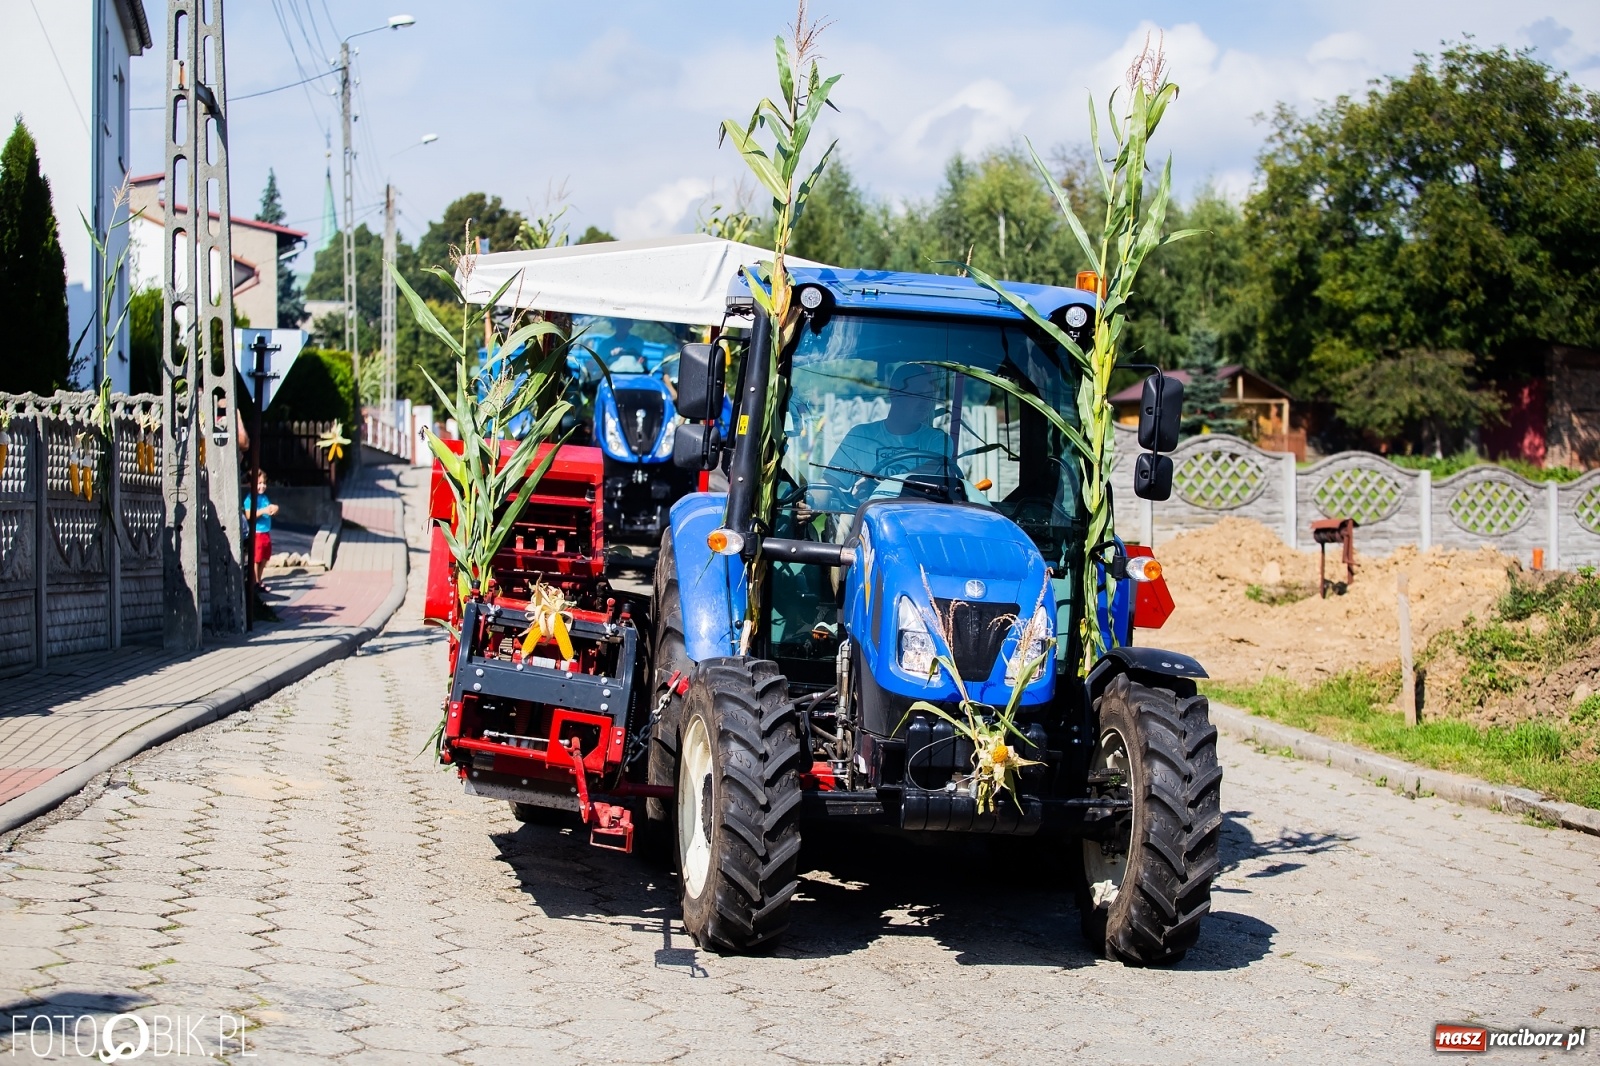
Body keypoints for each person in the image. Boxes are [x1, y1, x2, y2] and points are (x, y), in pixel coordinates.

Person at [824, 364, 958, 502]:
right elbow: (830, 484)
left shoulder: (938, 440)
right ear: (895, 394)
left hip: (917, 517)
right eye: (917, 394)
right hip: (866, 519)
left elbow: (930, 472)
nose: (925, 403)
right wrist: (811, 502)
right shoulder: (860, 436)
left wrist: (878, 485)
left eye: (929, 396)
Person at [243, 472, 279, 592]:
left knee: (265, 557)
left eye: (264, 483)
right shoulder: (249, 499)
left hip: (265, 532)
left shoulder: (264, 498)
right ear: (251, 484)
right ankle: (255, 581)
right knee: (256, 558)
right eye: (259, 483)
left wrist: (274, 509)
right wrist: (263, 510)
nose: (262, 486)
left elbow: (270, 510)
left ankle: (259, 579)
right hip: (257, 533)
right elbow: (249, 515)